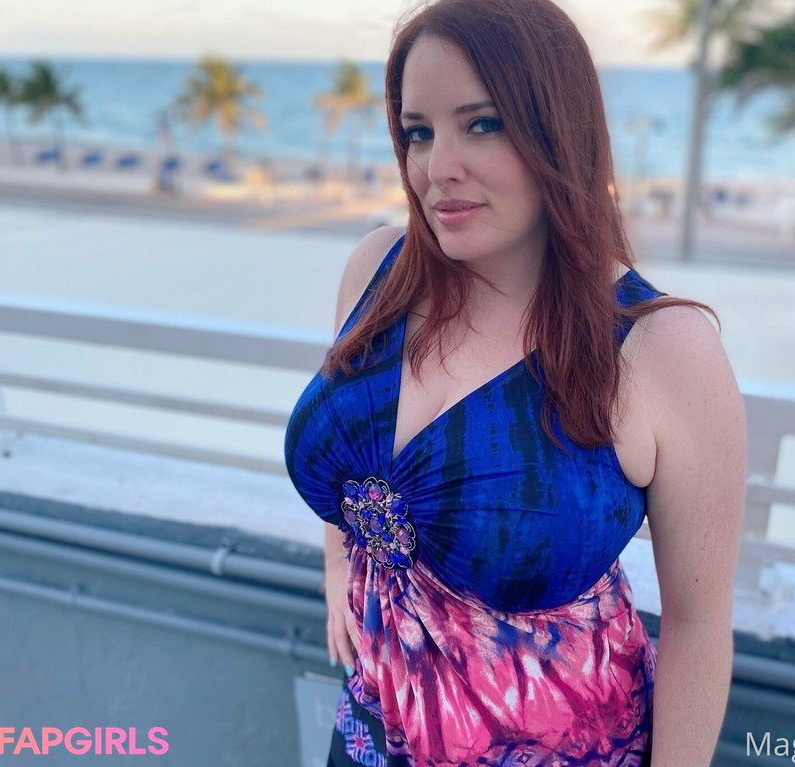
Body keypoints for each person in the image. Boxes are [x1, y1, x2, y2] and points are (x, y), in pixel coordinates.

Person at [283, 0, 746, 764]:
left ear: (558, 130)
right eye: (418, 132)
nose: (437, 167)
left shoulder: (662, 350)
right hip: (370, 731)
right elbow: (350, 444)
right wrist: (339, 566)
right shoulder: (377, 271)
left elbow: (698, 625)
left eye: (482, 123)